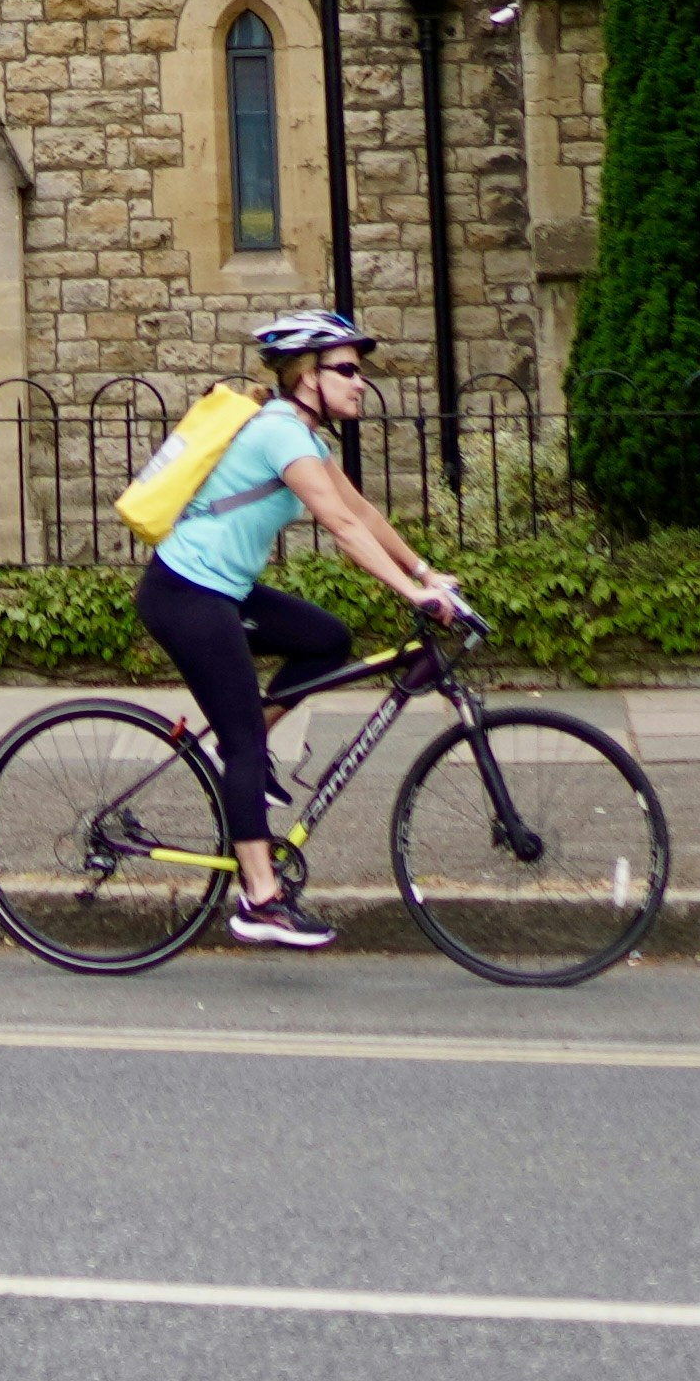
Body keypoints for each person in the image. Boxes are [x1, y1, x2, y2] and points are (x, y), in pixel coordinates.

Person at [137, 308, 460, 949]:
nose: (358, 381)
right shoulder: (280, 433)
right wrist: (411, 594)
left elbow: (360, 510)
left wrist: (426, 570)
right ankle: (259, 900)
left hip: (223, 592)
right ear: (307, 377)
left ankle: (246, 751)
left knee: (327, 642)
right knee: (244, 748)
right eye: (345, 370)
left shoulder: (307, 439)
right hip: (186, 595)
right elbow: (339, 528)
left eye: (358, 371)